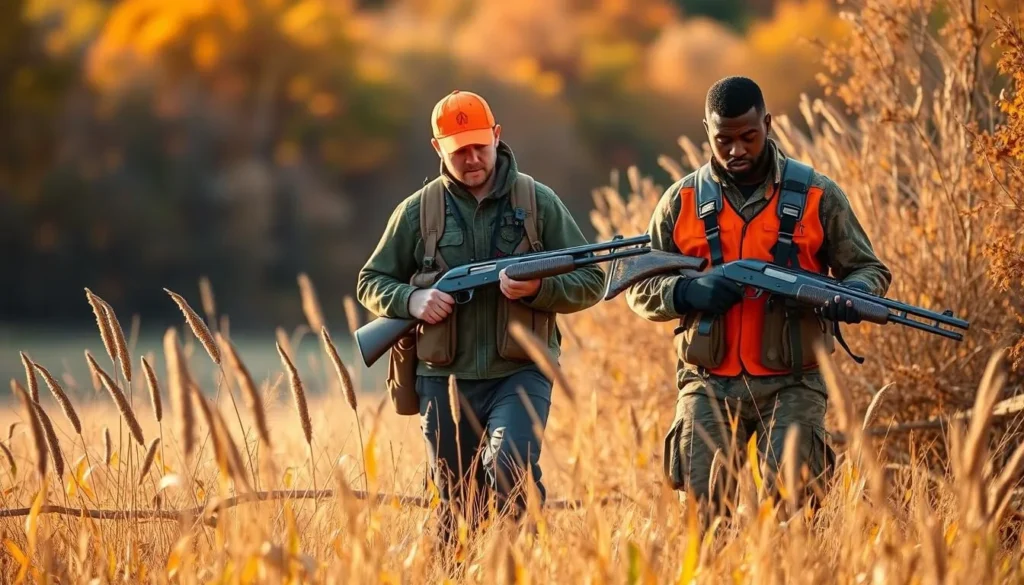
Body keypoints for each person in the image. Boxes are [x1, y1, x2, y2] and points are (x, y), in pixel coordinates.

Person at [625, 76, 892, 510]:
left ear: (768, 123)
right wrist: (687, 293)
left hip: (795, 381)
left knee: (794, 513)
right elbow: (638, 285)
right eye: (723, 139)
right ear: (707, 132)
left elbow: (869, 270)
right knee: (704, 519)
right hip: (707, 381)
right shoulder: (681, 200)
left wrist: (848, 296)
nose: (736, 150)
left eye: (748, 136)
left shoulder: (817, 194)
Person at [356, 89, 605, 548]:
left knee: (512, 468)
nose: (472, 158)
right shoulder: (418, 211)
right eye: (459, 151)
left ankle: (517, 563)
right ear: (438, 149)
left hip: (520, 372)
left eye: (479, 146)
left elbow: (591, 280)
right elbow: (371, 281)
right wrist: (413, 301)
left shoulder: (537, 202)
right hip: (443, 379)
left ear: (497, 136)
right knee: (455, 507)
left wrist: (540, 288)